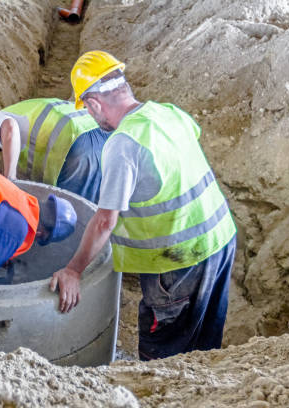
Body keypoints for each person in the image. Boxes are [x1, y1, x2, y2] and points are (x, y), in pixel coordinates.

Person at [49, 50, 237, 360]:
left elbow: (104, 221)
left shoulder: (123, 144)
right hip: (220, 240)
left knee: (164, 349)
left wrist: (73, 270)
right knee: (203, 344)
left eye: (88, 110)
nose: (92, 118)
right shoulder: (167, 113)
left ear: (94, 104)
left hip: (179, 261)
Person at [0, 98, 109, 203]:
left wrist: (9, 178)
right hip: (104, 135)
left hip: (74, 141)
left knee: (70, 214)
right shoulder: (31, 108)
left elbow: (10, 128)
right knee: (92, 211)